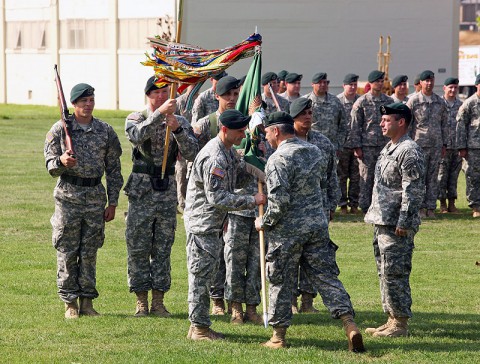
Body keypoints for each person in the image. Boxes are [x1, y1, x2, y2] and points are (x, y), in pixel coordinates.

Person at [255, 112, 364, 352]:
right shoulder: (315, 151)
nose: (266, 136)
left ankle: (278, 336)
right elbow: (325, 185)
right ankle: (349, 324)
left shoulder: (277, 159)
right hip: (316, 225)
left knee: (280, 281)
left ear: (276, 131)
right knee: (326, 277)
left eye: (267, 132)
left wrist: (264, 221)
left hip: (288, 231)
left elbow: (279, 201)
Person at [185, 109, 267, 341]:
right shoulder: (215, 157)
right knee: (201, 276)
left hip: (212, 223)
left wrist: (253, 164)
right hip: (203, 225)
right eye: (240, 131)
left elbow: (236, 178)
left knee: (204, 274)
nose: (243, 134)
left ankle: (198, 326)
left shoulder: (227, 151)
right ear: (224, 130)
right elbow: (218, 198)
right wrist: (252, 200)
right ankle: (199, 329)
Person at [44, 83, 123, 319]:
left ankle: (87, 302)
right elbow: (49, 166)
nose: (88, 105)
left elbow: (114, 169)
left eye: (91, 100)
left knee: (90, 250)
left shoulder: (105, 130)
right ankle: (70, 302)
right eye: (83, 101)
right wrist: (61, 162)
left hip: (95, 197)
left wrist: (113, 202)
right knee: (67, 249)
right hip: (68, 196)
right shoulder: (59, 130)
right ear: (73, 104)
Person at [124, 77, 198, 317]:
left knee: (163, 247)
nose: (162, 96)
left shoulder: (179, 121)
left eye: (166, 92)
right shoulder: (136, 117)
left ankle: (158, 300)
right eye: (156, 93)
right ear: (148, 95)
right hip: (142, 191)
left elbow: (191, 152)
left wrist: (176, 128)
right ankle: (141, 301)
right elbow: (136, 136)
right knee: (138, 245)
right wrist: (158, 116)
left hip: (166, 191)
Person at [364, 103, 425, 337]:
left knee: (395, 272)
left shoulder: (409, 151)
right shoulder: (391, 147)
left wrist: (405, 221)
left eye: (386, 120)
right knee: (385, 271)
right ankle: (391, 318)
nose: (381, 123)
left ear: (401, 122)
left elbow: (413, 190)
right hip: (382, 220)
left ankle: (400, 323)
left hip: (396, 225)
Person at [192, 75, 242, 315]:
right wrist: (252, 200)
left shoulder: (228, 146)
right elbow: (214, 194)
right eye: (227, 95)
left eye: (236, 94)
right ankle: (200, 324)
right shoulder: (213, 146)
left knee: (217, 261)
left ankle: (204, 320)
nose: (232, 99)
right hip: (206, 215)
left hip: (218, 215)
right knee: (201, 271)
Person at [290, 97, 340, 314]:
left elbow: (332, 178)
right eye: (303, 114)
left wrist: (331, 206)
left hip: (317, 209)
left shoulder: (323, 142)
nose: (308, 117)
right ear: (293, 118)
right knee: (290, 257)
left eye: (310, 113)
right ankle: (290, 301)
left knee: (315, 256)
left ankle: (308, 302)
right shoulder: (284, 141)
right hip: (291, 210)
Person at [224, 117, 267, 325]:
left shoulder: (268, 146)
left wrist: (263, 154)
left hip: (260, 212)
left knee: (257, 262)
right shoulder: (236, 145)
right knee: (234, 262)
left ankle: (252, 308)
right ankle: (236, 309)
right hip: (238, 211)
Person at [349, 70, 394, 214]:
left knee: (386, 176)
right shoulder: (361, 102)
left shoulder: (388, 102)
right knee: (366, 178)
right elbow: (355, 126)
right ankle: (365, 207)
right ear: (371, 83)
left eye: (382, 81)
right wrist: (357, 146)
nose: (380, 84)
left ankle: (384, 205)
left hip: (385, 145)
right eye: (377, 81)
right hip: (367, 146)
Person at [406, 70, 448, 218]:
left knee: (433, 177)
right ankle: (420, 208)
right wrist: (409, 145)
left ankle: (431, 207)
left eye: (431, 80)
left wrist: (444, 144)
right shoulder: (414, 101)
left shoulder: (439, 101)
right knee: (418, 177)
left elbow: (444, 124)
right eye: (426, 81)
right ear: (421, 83)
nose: (429, 83)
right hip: (419, 145)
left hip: (436, 145)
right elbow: (408, 125)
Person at [456, 74, 480, 218]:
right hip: (474, 147)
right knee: (473, 177)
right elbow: (461, 126)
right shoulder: (469, 103)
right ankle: (476, 206)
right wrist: (461, 147)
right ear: (477, 85)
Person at [303, 72, 347, 151]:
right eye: (320, 82)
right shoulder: (305, 101)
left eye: (325, 82)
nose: (323, 85)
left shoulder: (335, 101)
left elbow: (343, 125)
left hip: (332, 147)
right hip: (312, 147)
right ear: (312, 84)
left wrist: (339, 145)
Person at [337, 73, 361, 214]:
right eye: (350, 85)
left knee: (356, 176)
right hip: (343, 145)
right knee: (341, 176)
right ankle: (343, 205)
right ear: (344, 86)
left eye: (354, 85)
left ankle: (354, 204)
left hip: (357, 144)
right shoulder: (338, 101)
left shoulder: (360, 100)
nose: (352, 87)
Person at [438, 77, 463, 213]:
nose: (453, 90)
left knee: (454, 177)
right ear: (444, 88)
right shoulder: (439, 104)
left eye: (455, 87)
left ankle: (452, 203)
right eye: (450, 87)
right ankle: (442, 204)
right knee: (442, 176)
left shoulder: (461, 105)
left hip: (457, 146)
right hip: (443, 147)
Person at [175, 84, 200, 213]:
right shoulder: (180, 102)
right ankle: (181, 203)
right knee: (181, 173)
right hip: (180, 144)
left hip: (193, 144)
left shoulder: (200, 100)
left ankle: (189, 204)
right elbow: (172, 123)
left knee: (191, 175)